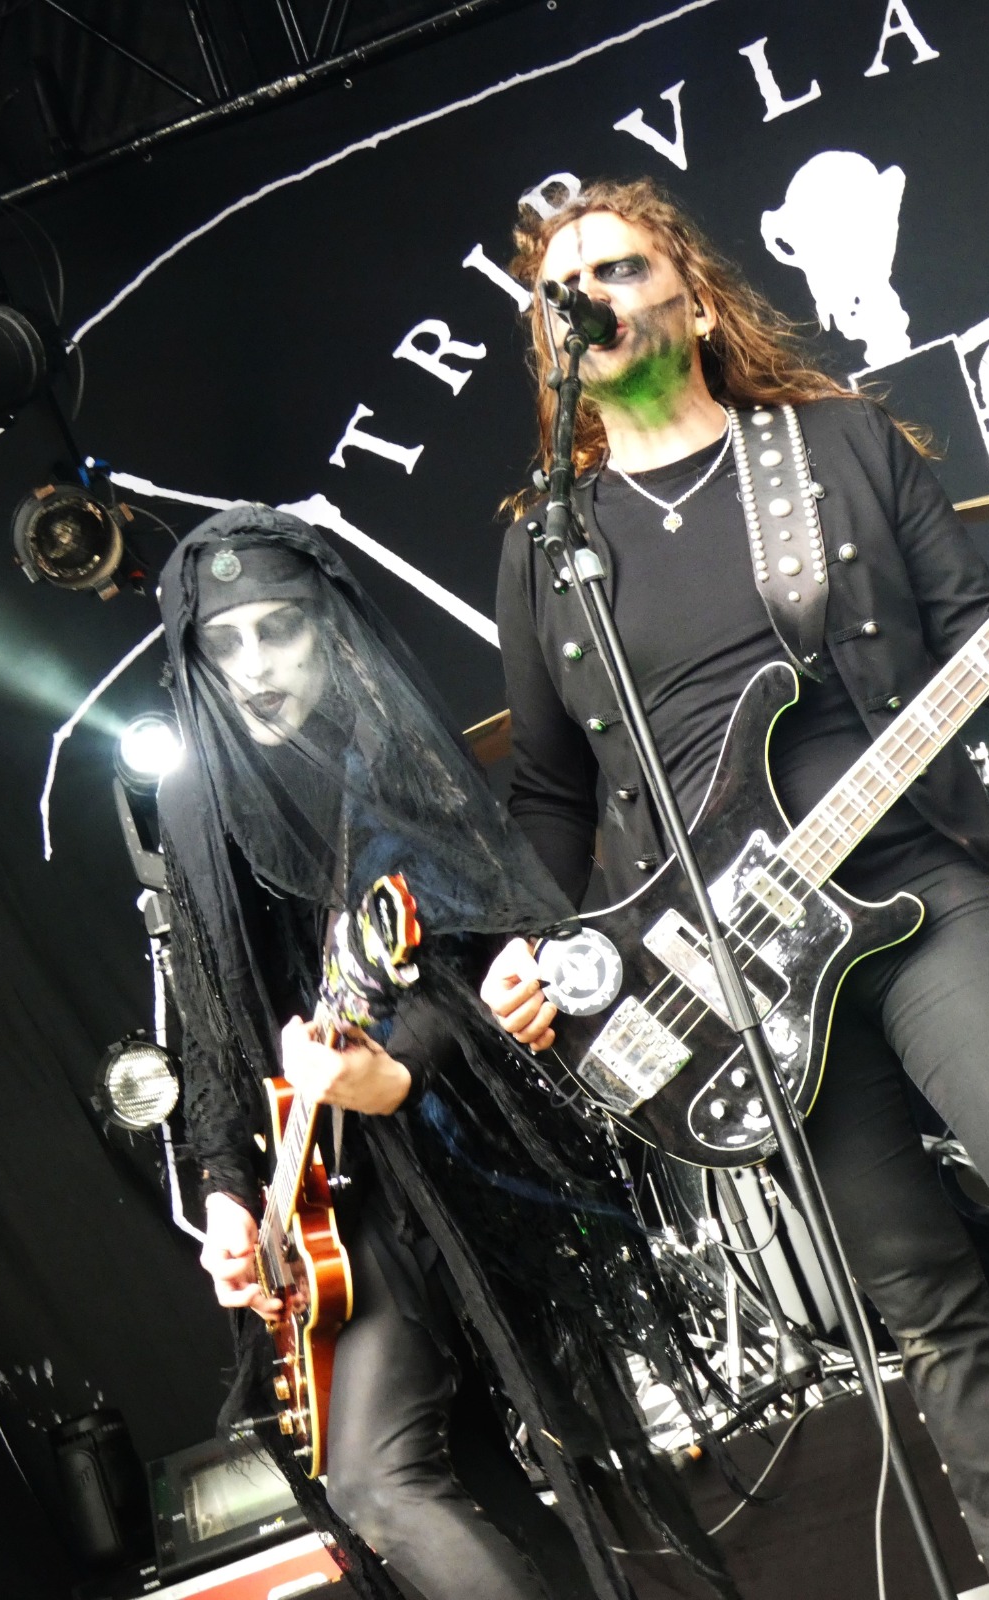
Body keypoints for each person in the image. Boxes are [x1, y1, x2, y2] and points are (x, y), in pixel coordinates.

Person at [482, 177, 989, 1595]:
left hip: (911, 885)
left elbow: (982, 654)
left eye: (618, 270)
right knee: (922, 1295)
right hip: (726, 968)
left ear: (692, 296)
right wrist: (529, 945)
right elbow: (552, 789)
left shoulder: (836, 447)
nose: (590, 301)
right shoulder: (551, 546)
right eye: (564, 293)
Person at [156, 506, 735, 1600]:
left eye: (278, 629)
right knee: (462, 1475)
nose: (256, 667)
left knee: (381, 1481)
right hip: (318, 1193)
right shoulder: (193, 800)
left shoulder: (387, 756)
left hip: (445, 1154)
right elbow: (210, 1014)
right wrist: (228, 1191)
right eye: (224, 644)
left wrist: (400, 1066)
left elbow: (480, 950)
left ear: (326, 628)